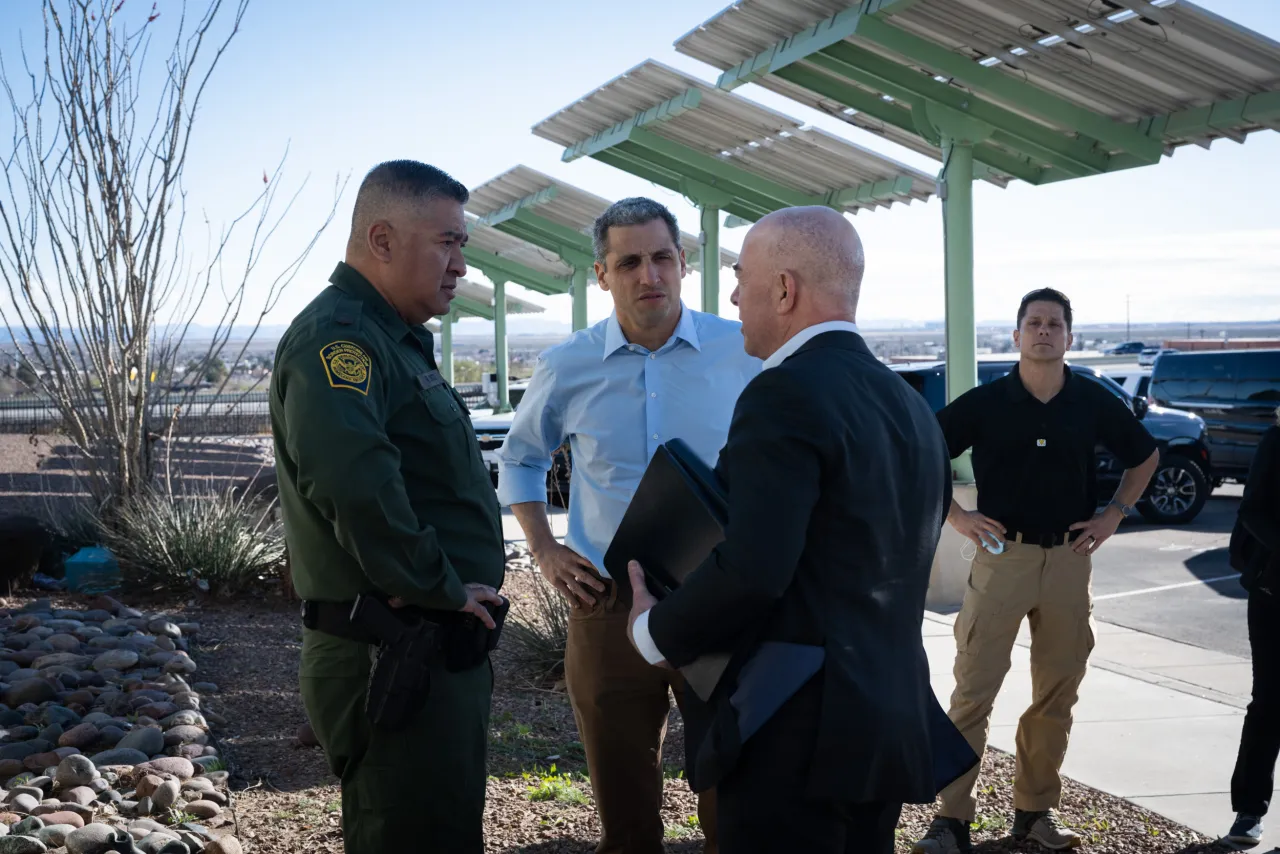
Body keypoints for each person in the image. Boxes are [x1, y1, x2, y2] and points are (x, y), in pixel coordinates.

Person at [624, 206, 966, 854]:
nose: (731, 294)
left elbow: (754, 568)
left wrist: (652, 631)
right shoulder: (910, 407)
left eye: (740, 275)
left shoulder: (782, 394)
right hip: (885, 720)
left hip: (797, 735)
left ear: (784, 289)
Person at [498, 197, 760, 854]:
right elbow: (521, 458)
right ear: (602, 275)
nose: (650, 276)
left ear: (683, 263)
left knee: (734, 791)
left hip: (717, 594)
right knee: (624, 806)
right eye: (630, 262)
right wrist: (545, 549)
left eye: (663, 258)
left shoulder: (742, 350)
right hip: (605, 601)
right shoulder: (568, 365)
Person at [270, 160, 506, 853]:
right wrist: (436, 586)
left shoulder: (390, 341)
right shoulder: (339, 341)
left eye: (462, 245)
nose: (461, 264)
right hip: (394, 646)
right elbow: (354, 484)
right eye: (447, 242)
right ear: (381, 239)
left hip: (427, 645)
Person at [913, 288, 1160, 853]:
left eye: (1054, 324)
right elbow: (919, 449)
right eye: (1034, 323)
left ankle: (1034, 814)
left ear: (1069, 336)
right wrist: (958, 516)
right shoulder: (988, 402)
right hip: (1004, 561)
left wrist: (1113, 516)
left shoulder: (1091, 400)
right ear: (1018, 334)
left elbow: (1144, 457)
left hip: (1070, 563)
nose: (1044, 331)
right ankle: (950, 819)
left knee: (1057, 693)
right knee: (974, 691)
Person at [1225, 407, 1280, 848]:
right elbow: (1252, 510)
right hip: (1274, 591)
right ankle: (1248, 812)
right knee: (1270, 703)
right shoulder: (1275, 440)